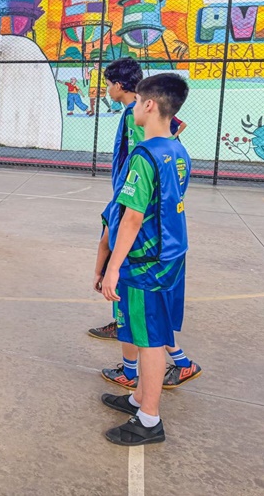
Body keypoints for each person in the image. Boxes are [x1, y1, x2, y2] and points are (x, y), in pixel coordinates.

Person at [90, 58, 201, 390]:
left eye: (109, 83)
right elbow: (177, 128)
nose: (107, 89)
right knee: (151, 312)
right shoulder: (173, 148)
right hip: (161, 235)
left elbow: (132, 217)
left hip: (136, 219)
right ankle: (175, 362)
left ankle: (140, 382)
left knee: (143, 312)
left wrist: (109, 265)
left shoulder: (137, 129)